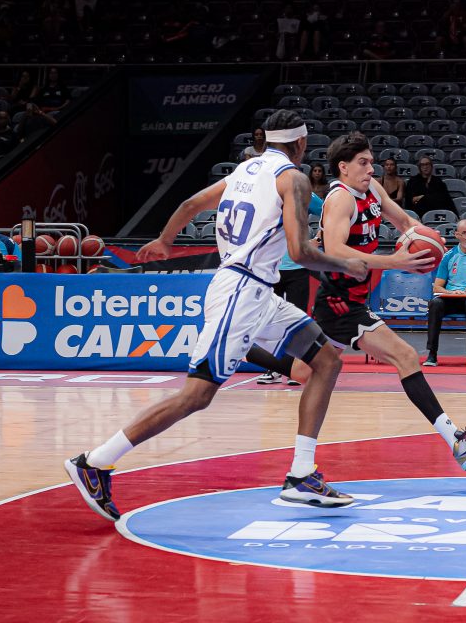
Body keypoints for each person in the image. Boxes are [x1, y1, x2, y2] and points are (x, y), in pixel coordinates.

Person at [65, 109, 370, 521]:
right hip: (241, 292)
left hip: (258, 291)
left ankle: (301, 475)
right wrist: (345, 264)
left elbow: (191, 203)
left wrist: (165, 240)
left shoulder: (245, 169)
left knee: (326, 360)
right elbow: (299, 252)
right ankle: (95, 461)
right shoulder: (293, 179)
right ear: (300, 144)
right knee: (197, 395)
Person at [312, 131, 466, 470]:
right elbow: (334, 250)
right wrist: (394, 261)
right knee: (407, 356)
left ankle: (245, 347)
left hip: (352, 297)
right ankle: (458, 441)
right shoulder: (340, 199)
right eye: (363, 163)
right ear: (343, 167)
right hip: (340, 302)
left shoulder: (372, 188)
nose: (371, 168)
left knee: (303, 371)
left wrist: (428, 237)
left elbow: (403, 220)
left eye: (371, 161)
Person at [257, 191, 324, 385]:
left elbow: (329, 212)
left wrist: (318, 239)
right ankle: (274, 368)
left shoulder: (305, 194)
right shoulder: (267, 192)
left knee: (297, 321)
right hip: (271, 269)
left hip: (297, 268)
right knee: (270, 321)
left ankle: (296, 368)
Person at [424, 221, 466, 368]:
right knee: (435, 303)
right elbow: (437, 286)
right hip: (452, 297)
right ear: (457, 235)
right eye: (465, 233)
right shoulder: (448, 256)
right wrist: (450, 292)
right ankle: (432, 354)